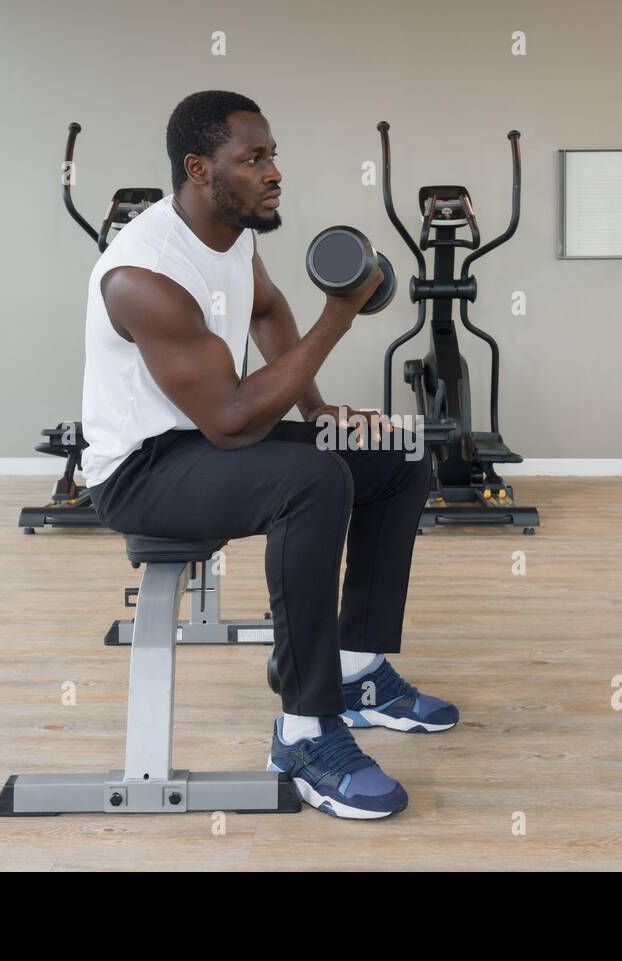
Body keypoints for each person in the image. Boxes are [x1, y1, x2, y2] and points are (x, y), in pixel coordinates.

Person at [80, 90, 457, 820]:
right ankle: (305, 729)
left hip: (201, 435)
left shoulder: (231, 235)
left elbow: (267, 308)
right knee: (311, 479)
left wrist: (320, 409)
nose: (274, 171)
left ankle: (354, 668)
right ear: (199, 169)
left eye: (272, 154)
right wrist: (340, 318)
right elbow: (228, 420)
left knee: (393, 452)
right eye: (254, 159)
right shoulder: (141, 275)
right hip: (142, 470)